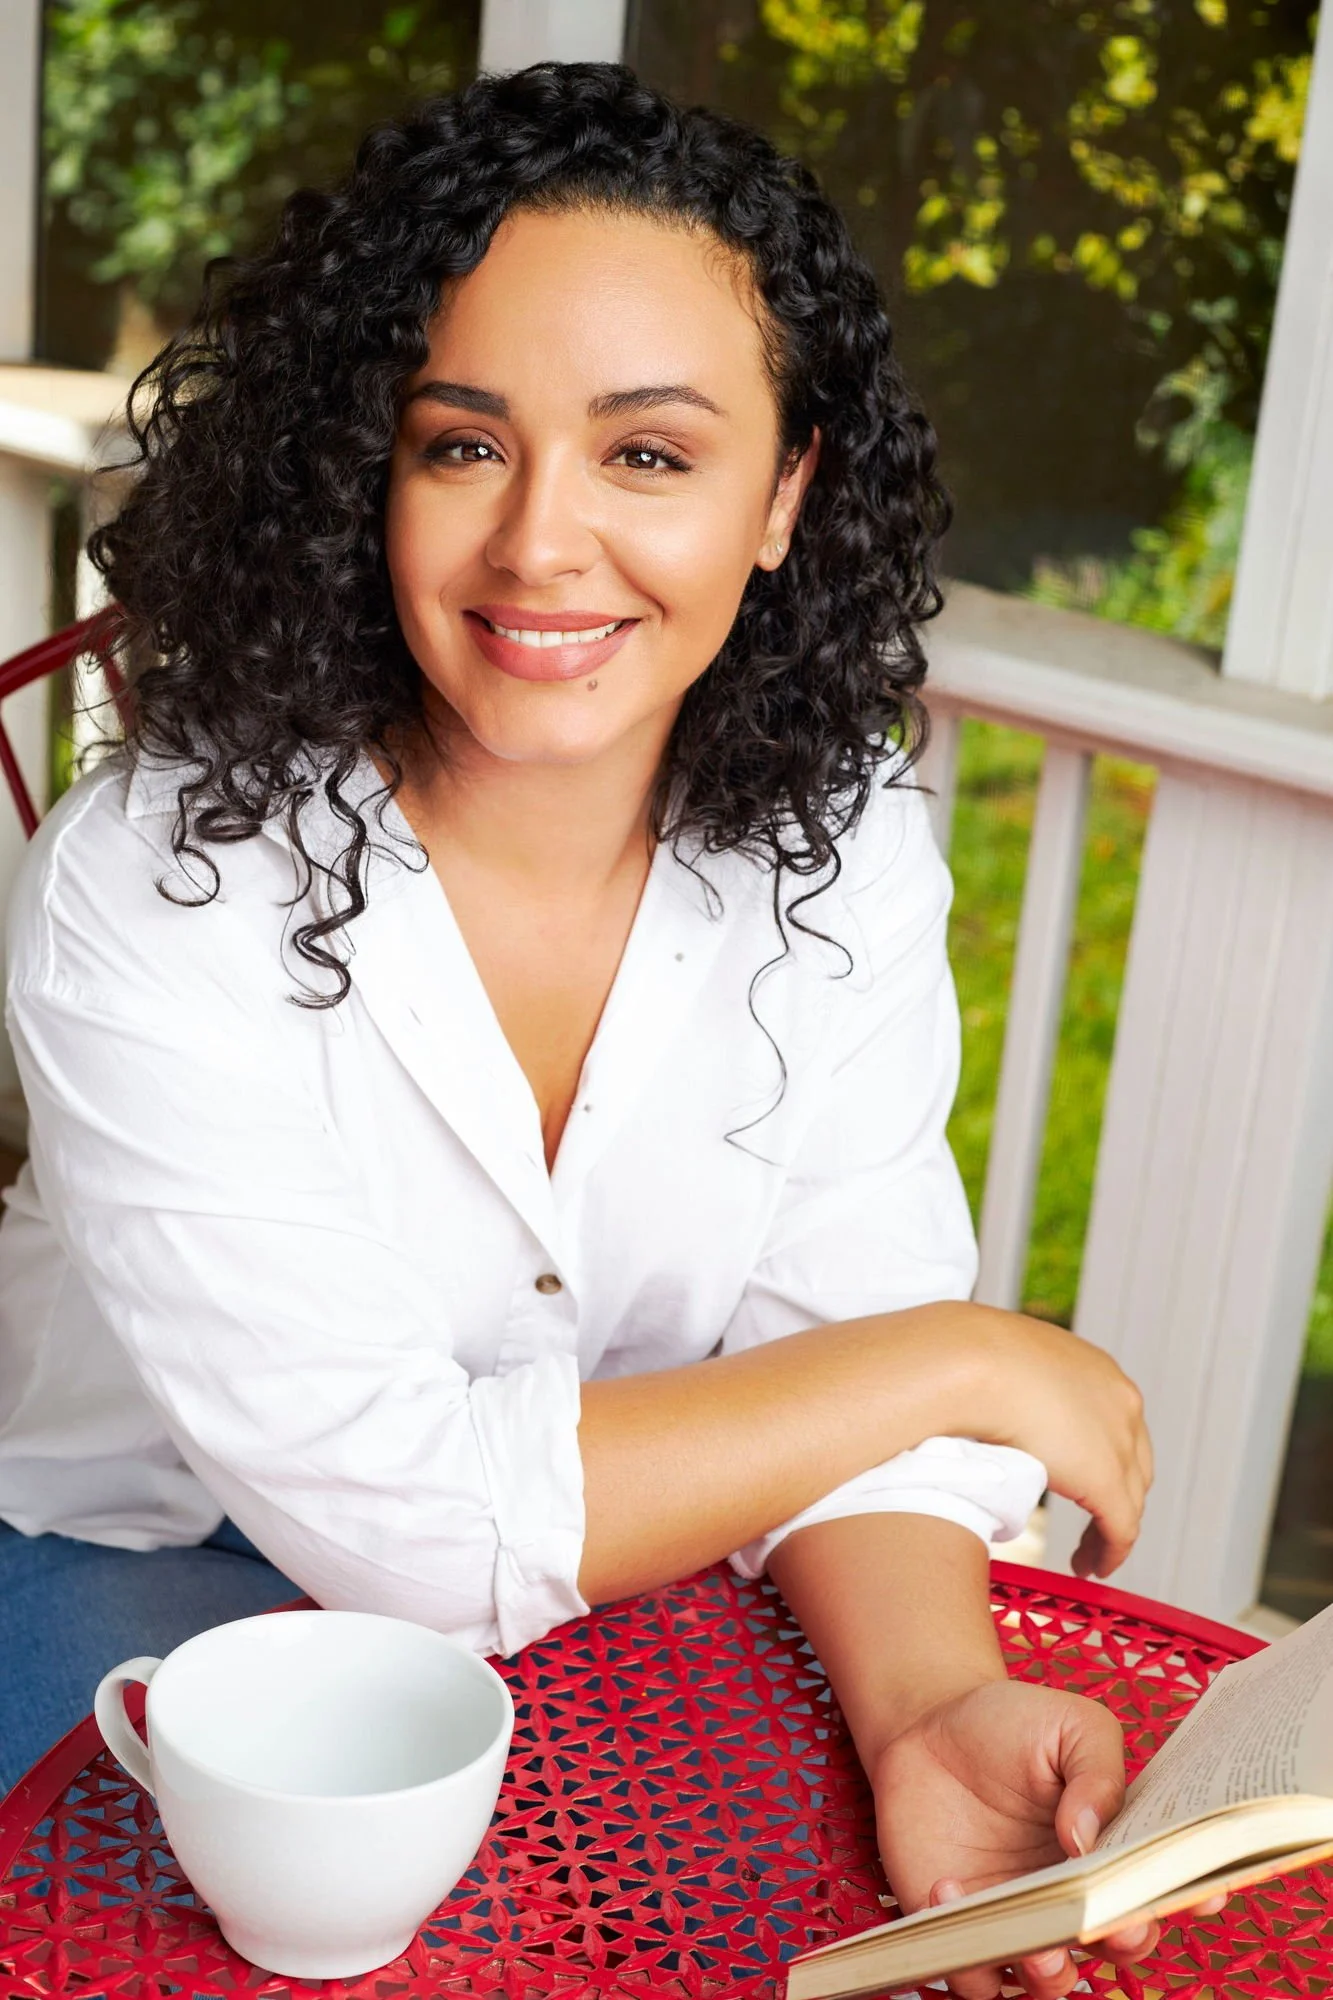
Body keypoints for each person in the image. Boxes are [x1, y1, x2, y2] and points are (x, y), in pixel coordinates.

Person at [0, 61, 1183, 1999]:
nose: (542, 546)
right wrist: (966, 1355)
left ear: (786, 493)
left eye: (648, 455)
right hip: (160, 1560)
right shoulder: (157, 884)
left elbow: (830, 1355)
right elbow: (407, 1520)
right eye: (462, 444)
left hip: (628, 1556)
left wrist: (930, 1704)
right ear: (360, 470)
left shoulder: (844, 838)